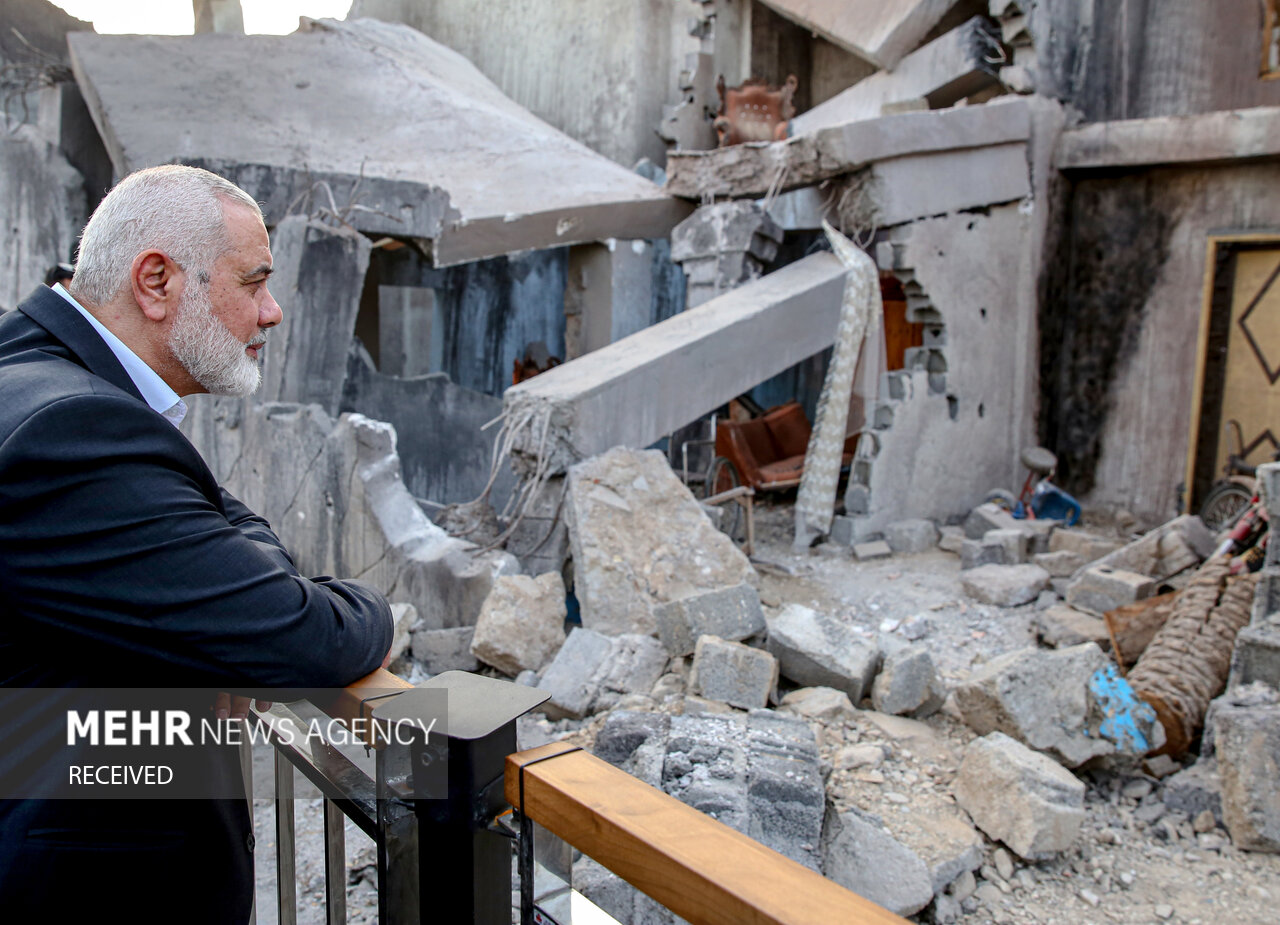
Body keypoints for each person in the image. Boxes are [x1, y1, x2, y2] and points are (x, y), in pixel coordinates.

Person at [0, 165, 394, 921]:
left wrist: (234, 552)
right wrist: (366, 605)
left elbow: (224, 521)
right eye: (253, 282)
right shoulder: (76, 429)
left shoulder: (39, 378)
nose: (272, 312)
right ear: (157, 281)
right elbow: (303, 637)